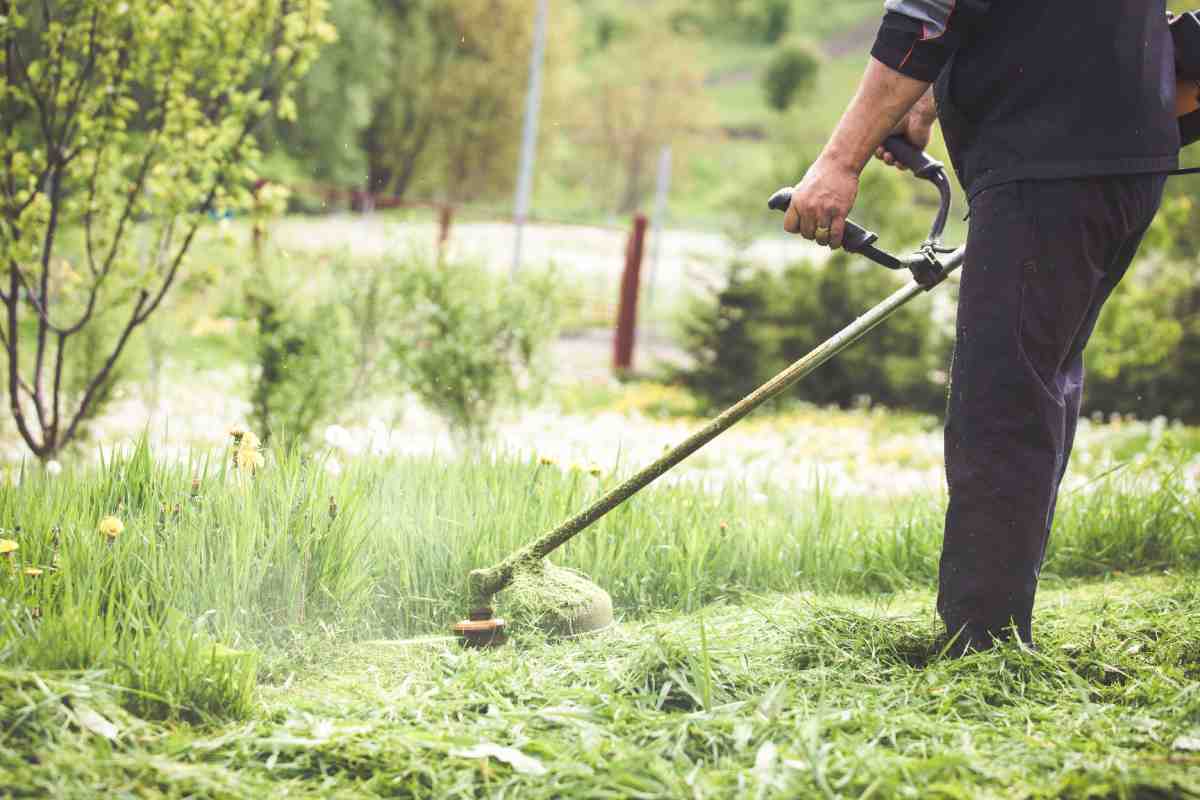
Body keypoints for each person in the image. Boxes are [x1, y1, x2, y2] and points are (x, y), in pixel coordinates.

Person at [783, 2, 1195, 653]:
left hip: (1052, 153)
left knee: (1003, 398)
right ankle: (994, 626)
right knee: (1037, 381)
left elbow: (926, 14)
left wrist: (839, 161)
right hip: (1119, 153)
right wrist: (921, 102)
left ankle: (983, 643)